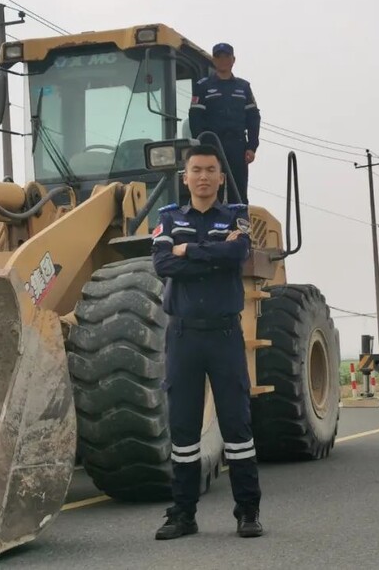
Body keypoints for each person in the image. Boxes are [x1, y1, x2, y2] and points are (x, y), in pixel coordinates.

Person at [151, 143, 263, 540]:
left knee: (236, 425)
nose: (203, 176)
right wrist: (214, 253)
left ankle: (247, 512)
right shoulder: (168, 217)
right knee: (183, 429)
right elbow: (162, 263)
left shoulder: (236, 215)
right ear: (185, 178)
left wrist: (188, 251)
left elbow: (238, 254)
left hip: (224, 335)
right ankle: (183, 514)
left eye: (210, 170)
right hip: (183, 336)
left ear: (220, 177)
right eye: (196, 170)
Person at [188, 42, 260, 204]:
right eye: (219, 57)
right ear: (214, 60)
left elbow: (253, 117)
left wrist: (252, 146)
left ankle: (240, 219)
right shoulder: (203, 86)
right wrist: (201, 145)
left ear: (233, 60)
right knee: (212, 190)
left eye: (226, 57)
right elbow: (195, 117)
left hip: (237, 145)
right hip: (213, 145)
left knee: (239, 192)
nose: (223, 61)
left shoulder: (244, 87)